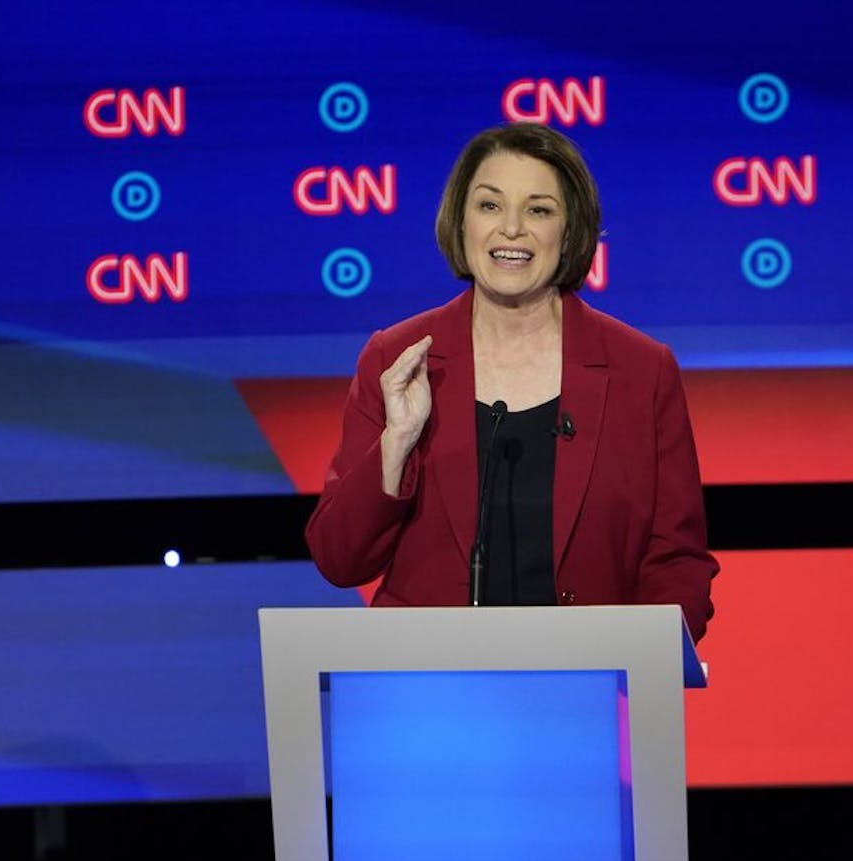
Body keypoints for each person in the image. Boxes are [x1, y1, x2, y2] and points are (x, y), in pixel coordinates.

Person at [306, 123, 719, 640]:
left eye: (539, 210)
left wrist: (645, 657)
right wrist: (396, 444)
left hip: (581, 691)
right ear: (460, 222)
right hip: (422, 693)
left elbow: (677, 561)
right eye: (489, 206)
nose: (512, 230)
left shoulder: (642, 370)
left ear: (569, 231)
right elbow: (339, 559)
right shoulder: (400, 359)